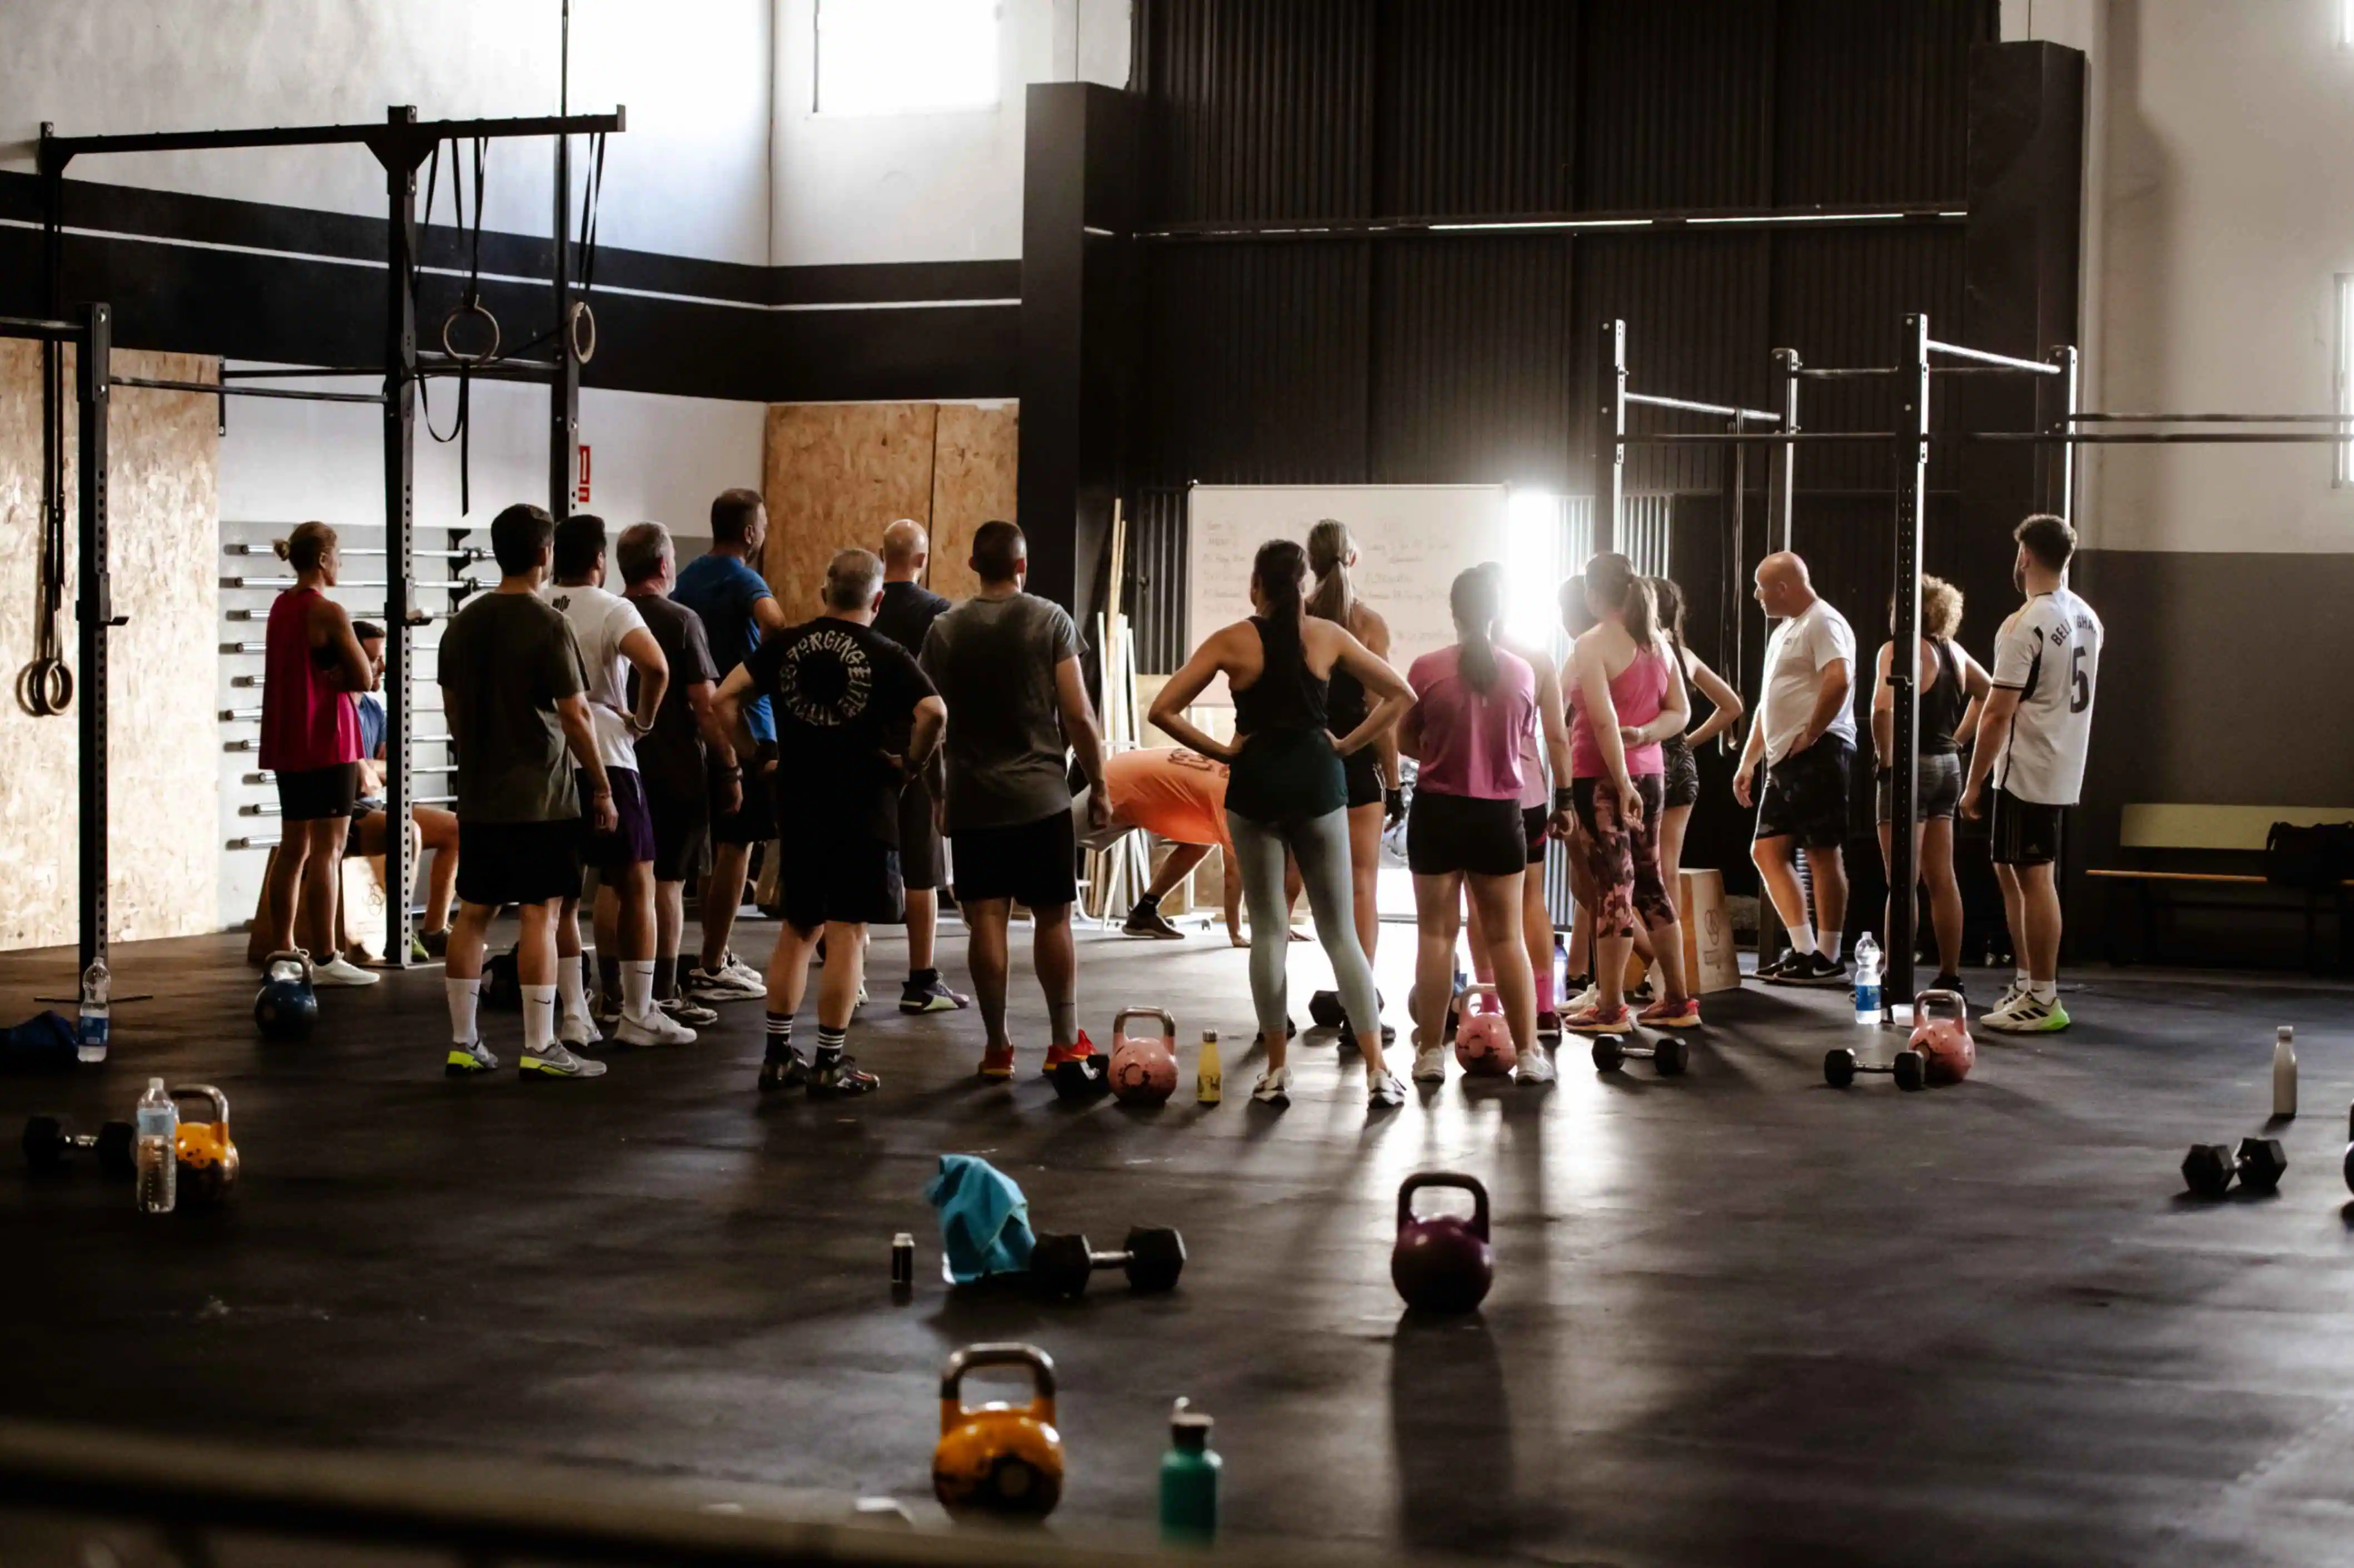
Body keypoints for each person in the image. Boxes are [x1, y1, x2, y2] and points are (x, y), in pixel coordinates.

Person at [1148, 539, 1414, 1108]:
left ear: (1256, 585)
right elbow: (1400, 694)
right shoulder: (1327, 635)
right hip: (1320, 784)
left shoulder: (1231, 641)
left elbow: (1161, 709)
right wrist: (1346, 744)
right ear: (1300, 585)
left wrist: (1223, 750)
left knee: (1268, 930)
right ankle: (1376, 1069)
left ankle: (1274, 1070)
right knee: (1339, 931)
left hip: (1257, 784)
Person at [716, 548, 944, 1095]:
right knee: (848, 932)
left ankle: (775, 1056)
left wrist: (755, 756)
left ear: (824, 594)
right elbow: (934, 712)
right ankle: (829, 1061)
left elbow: (724, 699)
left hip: (799, 802)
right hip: (864, 806)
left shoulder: (787, 645)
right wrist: (911, 764)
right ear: (878, 599)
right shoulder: (887, 653)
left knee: (798, 929)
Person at [920, 521, 1109, 1079]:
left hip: (975, 797)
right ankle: (1062, 1042)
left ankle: (998, 1048)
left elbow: (930, 721)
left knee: (987, 921)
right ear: (1022, 567)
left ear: (974, 566)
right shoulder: (1048, 619)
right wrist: (1098, 783)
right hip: (1041, 799)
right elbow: (1077, 715)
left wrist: (938, 795)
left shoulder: (945, 631)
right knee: (1053, 920)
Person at [436, 503, 615, 1079]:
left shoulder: (461, 623)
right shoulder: (549, 624)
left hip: (483, 796)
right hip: (542, 798)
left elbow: (454, 712)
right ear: (544, 555)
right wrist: (603, 787)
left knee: (474, 915)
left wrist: (481, 756)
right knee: (540, 913)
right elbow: (576, 716)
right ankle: (540, 1048)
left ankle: (465, 1043)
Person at [1398, 567, 1558, 1083]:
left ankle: (1428, 1055)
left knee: (1435, 936)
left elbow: (1405, 740)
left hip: (1439, 813)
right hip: (1498, 817)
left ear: (1454, 611)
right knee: (1507, 937)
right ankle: (1530, 1056)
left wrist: (1440, 752)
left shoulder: (1426, 669)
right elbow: (1521, 740)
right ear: (1500, 611)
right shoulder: (1524, 673)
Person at [545, 515, 691, 1049]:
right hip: (607, 753)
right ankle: (636, 1011)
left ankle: (575, 1016)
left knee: (559, 897)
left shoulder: (536, 603)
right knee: (636, 884)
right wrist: (642, 722)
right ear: (599, 561)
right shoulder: (611, 608)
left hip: (552, 759)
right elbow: (656, 667)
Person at [1961, 514, 2102, 1033]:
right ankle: (2027, 981)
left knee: (2033, 877)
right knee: (2012, 871)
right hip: (2059, 761)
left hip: (2029, 766)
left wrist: (1973, 780)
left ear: (2024, 557)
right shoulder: (2087, 616)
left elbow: (1997, 713)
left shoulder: (2024, 623)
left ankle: (2044, 995)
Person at [1562, 553, 1697, 1033]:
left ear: (1595, 596)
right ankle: (1679, 1001)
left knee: (1613, 891)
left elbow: (1600, 721)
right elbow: (1680, 713)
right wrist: (1644, 734)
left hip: (1604, 779)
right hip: (1652, 776)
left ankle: (1611, 1008)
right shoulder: (1656, 641)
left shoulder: (1591, 643)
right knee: (1652, 883)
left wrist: (1620, 782)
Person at [616, 520, 733, 1030]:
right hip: (674, 770)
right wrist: (730, 767)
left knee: (615, 884)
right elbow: (706, 708)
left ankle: (614, 993)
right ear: (665, 566)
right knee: (668, 883)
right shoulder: (682, 620)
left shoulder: (607, 616)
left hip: (619, 764)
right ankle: (662, 992)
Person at [673, 488, 786, 1004]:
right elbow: (776, 625)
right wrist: (759, 675)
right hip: (746, 727)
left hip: (698, 728)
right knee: (736, 847)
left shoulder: (689, 575)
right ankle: (713, 962)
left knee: (711, 848)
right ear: (749, 532)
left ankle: (707, 958)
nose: (764, 532)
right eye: (762, 524)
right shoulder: (746, 578)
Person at [1455, 562, 1576, 1041]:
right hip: (1527, 794)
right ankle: (1543, 1009)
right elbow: (1558, 740)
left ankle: (1489, 1005)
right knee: (1531, 899)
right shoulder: (1537, 658)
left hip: (1472, 794)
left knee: (1480, 908)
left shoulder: (1452, 659)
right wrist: (1564, 800)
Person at [257, 521, 379, 988]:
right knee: (328, 850)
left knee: (293, 849)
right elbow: (366, 679)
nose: (341, 564)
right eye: (339, 556)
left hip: (290, 739)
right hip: (328, 740)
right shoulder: (328, 610)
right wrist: (354, 672)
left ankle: (283, 951)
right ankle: (327, 958)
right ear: (325, 560)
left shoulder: (280, 606)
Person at [1734, 550, 1856, 989]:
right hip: (1784, 758)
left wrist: (1811, 732)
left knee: (1822, 851)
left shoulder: (1824, 621)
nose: (1756, 596)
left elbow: (1839, 678)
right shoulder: (1785, 631)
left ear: (1783, 588)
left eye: (1760, 587)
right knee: (1766, 850)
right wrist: (1750, 759)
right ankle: (1804, 950)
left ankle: (1829, 956)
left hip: (1820, 752)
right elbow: (1770, 703)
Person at [1303, 519, 1401, 1046]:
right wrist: (1394, 780)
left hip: (1305, 767)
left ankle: (1274, 1017)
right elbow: (1383, 706)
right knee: (1363, 886)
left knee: (1298, 890)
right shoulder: (1367, 623)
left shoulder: (1294, 619)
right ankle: (1357, 1007)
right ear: (1353, 559)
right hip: (1355, 765)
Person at [1872, 574, 1992, 996]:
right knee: (1943, 878)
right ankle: (1950, 975)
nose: (1890, 614)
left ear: (1911, 609)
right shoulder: (1954, 652)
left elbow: (1881, 712)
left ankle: (1893, 977)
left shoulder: (1898, 650)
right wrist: (1957, 741)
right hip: (1948, 767)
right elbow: (1988, 692)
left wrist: (1887, 763)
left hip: (1912, 768)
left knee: (1900, 881)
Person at [872, 518, 969, 1016]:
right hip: (916, 751)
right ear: (922, 560)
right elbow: (944, 699)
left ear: (880, 553)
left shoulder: (863, 609)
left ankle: (844, 961)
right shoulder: (940, 614)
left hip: (863, 753)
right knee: (922, 871)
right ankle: (920, 981)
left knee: (853, 857)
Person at [1081, 745, 1282, 946]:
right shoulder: (1235, 801)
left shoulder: (1243, 774)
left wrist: (1279, 925)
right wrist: (1236, 934)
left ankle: (1144, 912)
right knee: (1055, 839)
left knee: (1202, 841)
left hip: (1142, 775)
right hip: (1115, 782)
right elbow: (1234, 875)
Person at [344, 621, 461, 961]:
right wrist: (369, 771)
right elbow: (358, 781)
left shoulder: (372, 709)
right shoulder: (338, 709)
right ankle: (398, 931)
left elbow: (394, 770)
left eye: (381, 659)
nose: (380, 667)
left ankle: (435, 930)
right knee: (407, 832)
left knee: (456, 828)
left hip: (374, 806)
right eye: (372, 659)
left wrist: (369, 767)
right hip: (344, 814)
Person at [1649, 577, 1744, 926]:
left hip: (1646, 763)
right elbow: (1732, 706)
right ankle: (1668, 962)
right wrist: (1686, 742)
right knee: (1668, 868)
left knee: (1635, 868)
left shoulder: (1640, 654)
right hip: (1680, 763)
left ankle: (1641, 960)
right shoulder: (1684, 655)